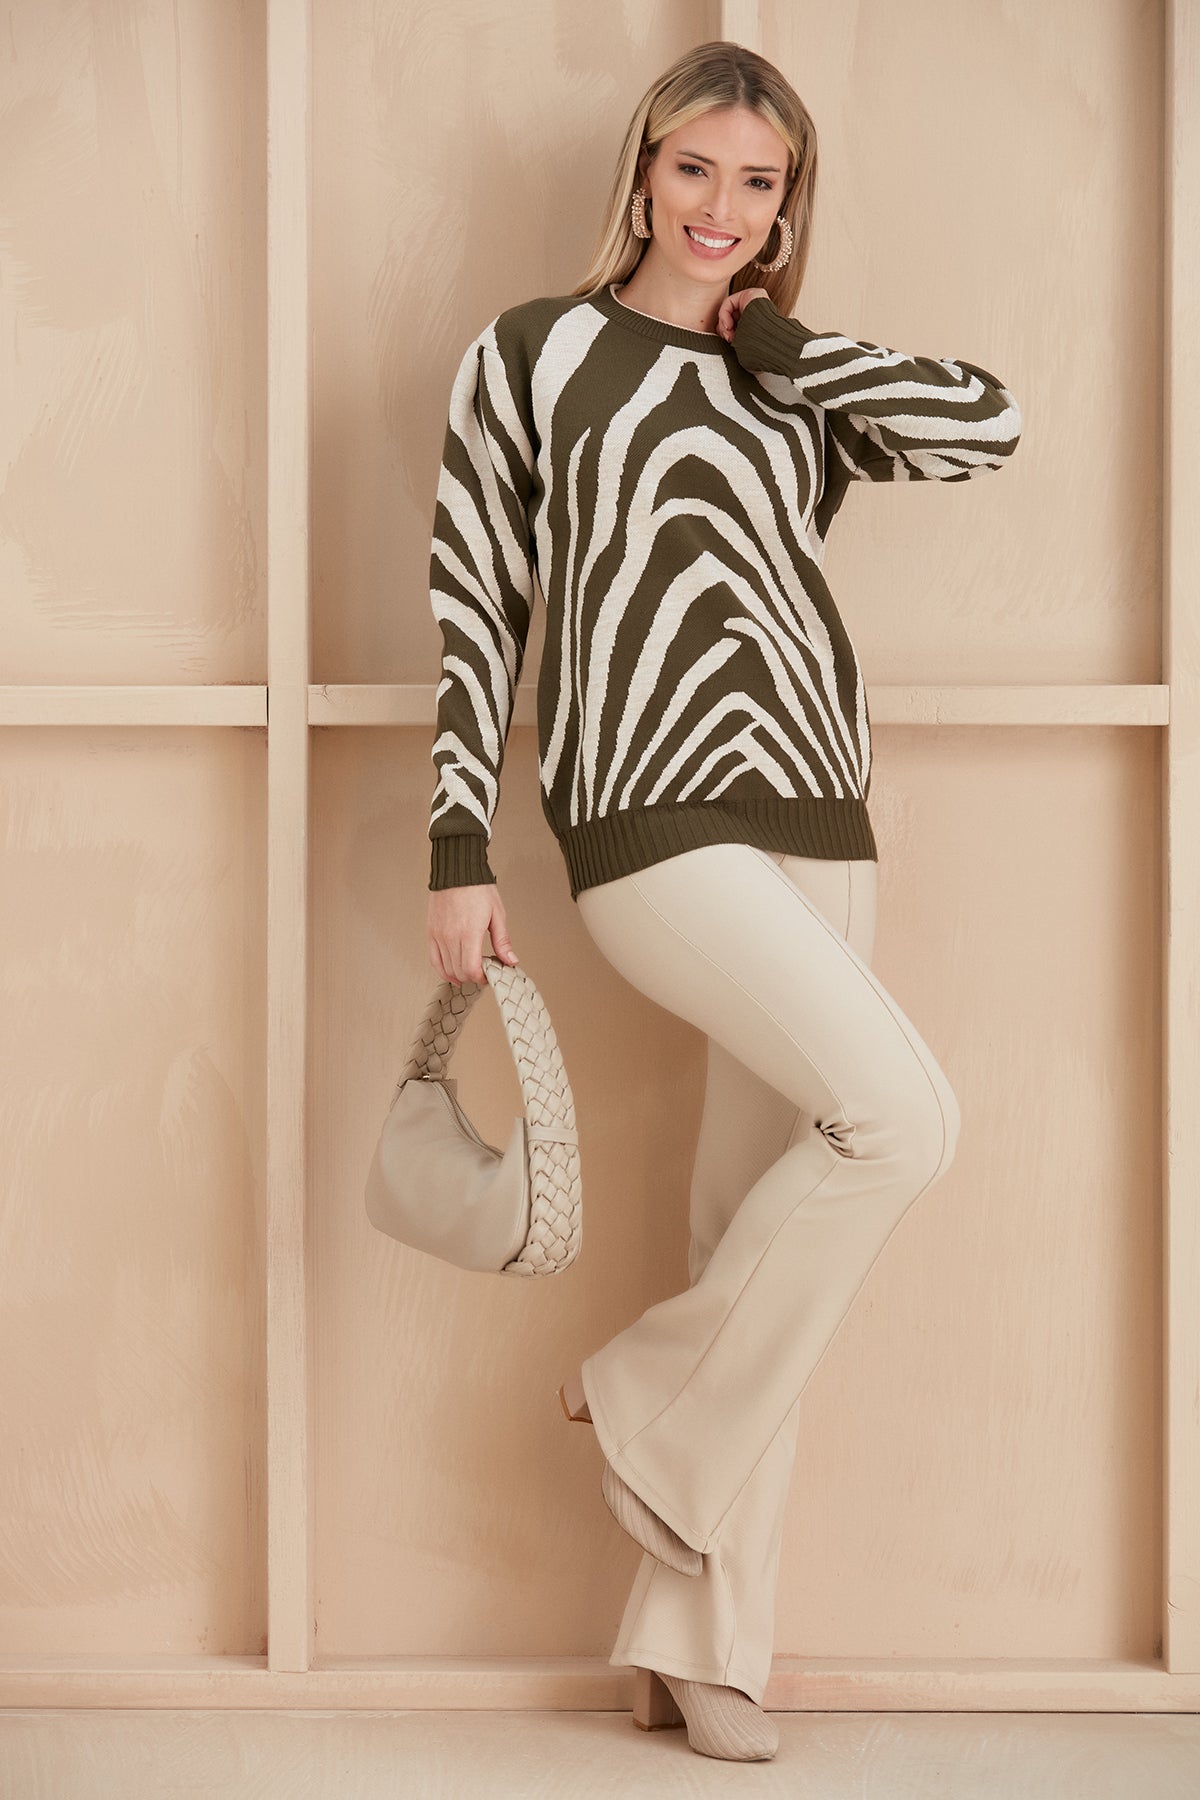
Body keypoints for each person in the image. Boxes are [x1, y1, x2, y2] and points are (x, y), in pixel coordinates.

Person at [424, 39, 1021, 1764]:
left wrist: (787, 345)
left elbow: (987, 425)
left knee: (754, 1222)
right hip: (643, 812)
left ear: (787, 203)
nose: (721, 207)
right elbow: (474, 601)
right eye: (696, 168)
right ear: (642, 169)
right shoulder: (535, 352)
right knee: (903, 1121)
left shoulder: (789, 375)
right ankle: (642, 1392)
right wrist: (458, 850)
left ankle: (700, 1649)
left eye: (761, 183)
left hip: (819, 810)